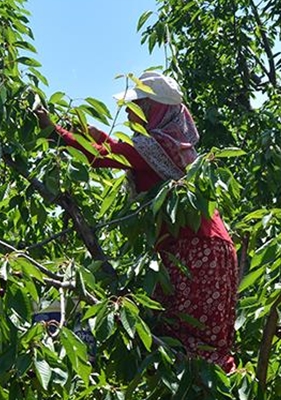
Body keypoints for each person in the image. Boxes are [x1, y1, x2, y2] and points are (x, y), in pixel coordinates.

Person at [34, 72, 238, 372]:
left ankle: (206, 393)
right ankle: (210, 390)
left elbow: (103, 157)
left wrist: (53, 131)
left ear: (154, 110)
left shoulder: (157, 147)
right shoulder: (171, 147)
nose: (129, 113)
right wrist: (90, 133)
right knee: (188, 340)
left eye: (137, 106)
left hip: (195, 250)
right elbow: (119, 151)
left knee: (184, 340)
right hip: (203, 248)